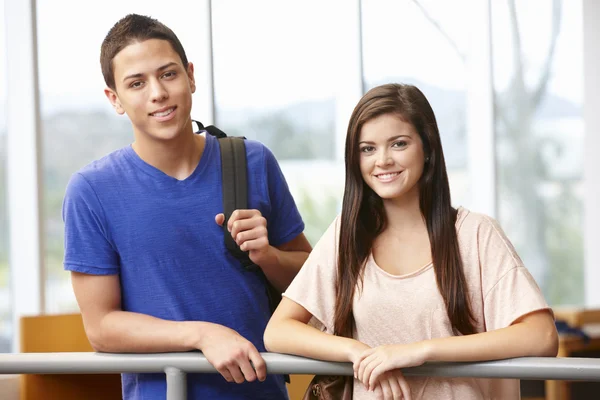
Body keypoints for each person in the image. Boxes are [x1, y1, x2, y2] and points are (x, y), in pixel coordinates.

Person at [62, 13, 312, 400]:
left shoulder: (253, 162)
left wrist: (269, 257)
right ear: (115, 99)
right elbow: (101, 326)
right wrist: (201, 335)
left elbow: (310, 286)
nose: (157, 93)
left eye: (168, 74)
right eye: (136, 83)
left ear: (190, 76)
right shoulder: (91, 190)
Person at [264, 83, 558, 399]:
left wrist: (418, 352)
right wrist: (359, 353)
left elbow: (541, 336)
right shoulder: (346, 236)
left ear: (427, 148)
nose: (383, 160)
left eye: (399, 144)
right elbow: (278, 331)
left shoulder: (475, 233)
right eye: (368, 149)